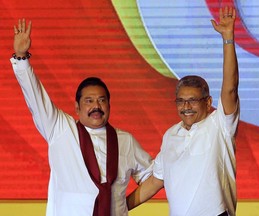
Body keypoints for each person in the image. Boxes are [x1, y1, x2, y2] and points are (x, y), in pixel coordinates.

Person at [10, 19, 153, 216]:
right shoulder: (60, 129)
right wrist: (21, 57)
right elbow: (35, 97)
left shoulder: (125, 140)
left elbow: (153, 178)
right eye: (89, 101)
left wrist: (121, 206)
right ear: (77, 107)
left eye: (102, 100)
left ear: (109, 105)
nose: (96, 106)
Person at [126, 6, 239, 216]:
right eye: (181, 101)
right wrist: (117, 208)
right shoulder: (171, 135)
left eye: (193, 100)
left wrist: (228, 39)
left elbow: (230, 88)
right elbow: (155, 182)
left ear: (208, 103)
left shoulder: (220, 125)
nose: (186, 107)